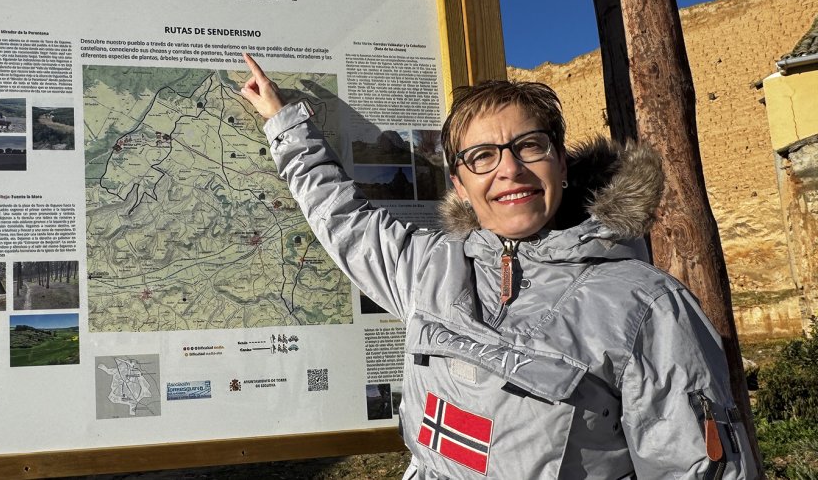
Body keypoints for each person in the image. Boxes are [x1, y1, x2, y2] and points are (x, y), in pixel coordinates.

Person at [239, 53, 757, 479]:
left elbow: (696, 467)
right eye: (482, 155)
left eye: (528, 146)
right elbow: (346, 220)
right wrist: (284, 123)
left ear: (561, 162)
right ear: (460, 184)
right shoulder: (431, 269)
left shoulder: (646, 306)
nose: (509, 169)